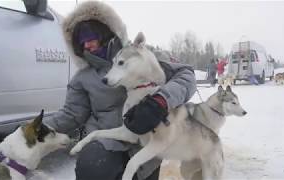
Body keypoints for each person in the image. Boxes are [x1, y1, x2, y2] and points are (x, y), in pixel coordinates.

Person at [46, 1, 196, 180]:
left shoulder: (143, 56)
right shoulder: (82, 78)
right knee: (92, 166)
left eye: (89, 36)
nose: (86, 45)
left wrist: (162, 100)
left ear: (104, 32)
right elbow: (71, 114)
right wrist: (36, 127)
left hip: (148, 140)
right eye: (80, 41)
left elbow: (186, 75)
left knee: (142, 170)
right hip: (109, 140)